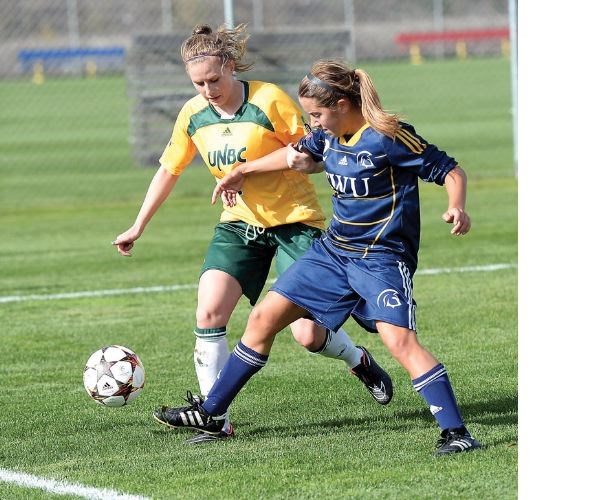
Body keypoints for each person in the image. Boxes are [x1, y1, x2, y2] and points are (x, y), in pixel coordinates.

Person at [180, 59, 484, 455]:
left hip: (380, 258)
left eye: (318, 114)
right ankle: (211, 411)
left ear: (343, 104)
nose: (314, 123)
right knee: (263, 318)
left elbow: (450, 170)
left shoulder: (388, 137)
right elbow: (293, 154)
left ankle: (457, 433)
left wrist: (456, 206)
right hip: (332, 252)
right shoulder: (327, 136)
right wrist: (244, 170)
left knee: (400, 342)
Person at [112, 26, 393, 444]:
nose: (208, 90)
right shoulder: (193, 114)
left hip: (295, 222)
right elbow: (168, 170)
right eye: (198, 83)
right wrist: (138, 225)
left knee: (306, 334)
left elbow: (313, 157)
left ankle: (358, 359)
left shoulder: (268, 100)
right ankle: (214, 417)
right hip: (239, 226)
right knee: (208, 312)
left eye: (214, 80)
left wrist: (254, 170)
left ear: (229, 66)